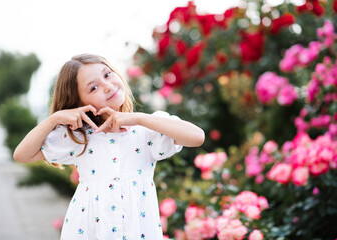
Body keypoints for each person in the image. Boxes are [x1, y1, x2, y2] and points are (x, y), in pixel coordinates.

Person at [14, 53, 205, 240]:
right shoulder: (80, 137)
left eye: (107, 74)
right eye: (93, 87)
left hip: (138, 230)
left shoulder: (146, 130)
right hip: (89, 230)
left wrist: (137, 118)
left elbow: (197, 137)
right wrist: (55, 118)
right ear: (80, 102)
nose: (107, 86)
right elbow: (22, 155)